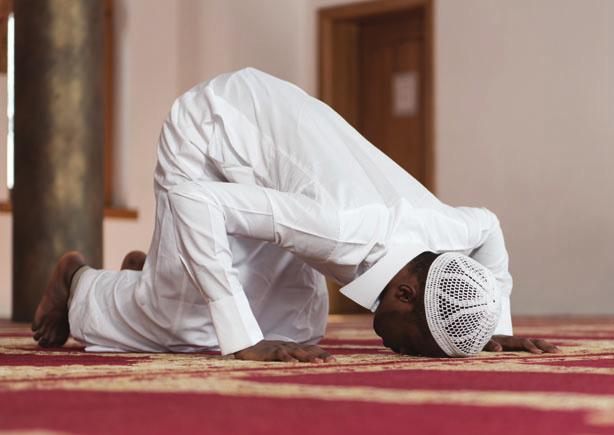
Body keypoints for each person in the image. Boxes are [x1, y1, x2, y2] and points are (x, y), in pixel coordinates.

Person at [31, 68, 557, 361]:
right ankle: (78, 282)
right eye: (413, 344)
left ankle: (170, 265)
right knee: (196, 326)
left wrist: (488, 322)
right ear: (405, 293)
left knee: (298, 329)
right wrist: (240, 342)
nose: (399, 352)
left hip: (276, 172)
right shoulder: (339, 229)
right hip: (212, 133)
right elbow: (199, 200)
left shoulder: (442, 232)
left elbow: (488, 225)